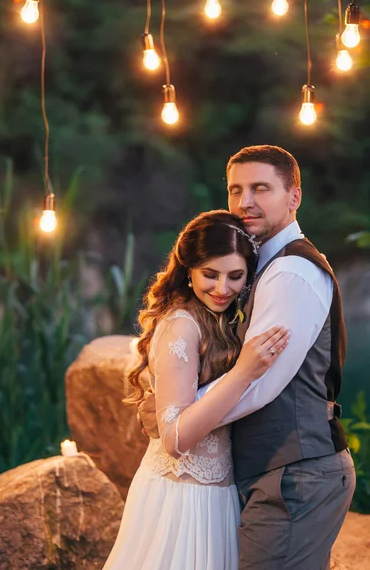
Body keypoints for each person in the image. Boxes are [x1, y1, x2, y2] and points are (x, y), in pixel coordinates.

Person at [139, 145, 356, 570]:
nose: (245, 202)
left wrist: (179, 415)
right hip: (272, 473)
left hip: (294, 472)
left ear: (294, 197)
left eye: (260, 188)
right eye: (235, 190)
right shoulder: (259, 264)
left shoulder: (291, 272)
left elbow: (260, 383)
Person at [103, 210, 289, 570]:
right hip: (179, 499)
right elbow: (174, 439)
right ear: (188, 270)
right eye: (210, 274)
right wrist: (244, 372)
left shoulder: (222, 320)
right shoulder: (181, 326)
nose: (222, 289)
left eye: (235, 276)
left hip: (217, 495)